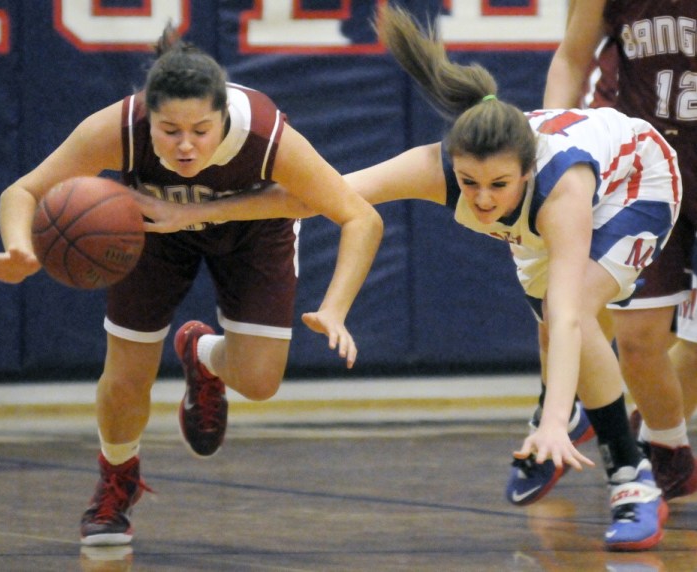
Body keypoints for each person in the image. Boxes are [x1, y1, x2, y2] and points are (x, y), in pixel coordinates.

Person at [131, 5, 680, 551]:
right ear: (452, 164)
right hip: (548, 211)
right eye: (469, 183)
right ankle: (566, 411)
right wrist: (196, 214)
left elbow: (567, 321)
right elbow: (315, 195)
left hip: (636, 183)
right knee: (564, 334)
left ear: (528, 171)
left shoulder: (563, 191)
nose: (483, 200)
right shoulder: (436, 167)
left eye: (498, 186)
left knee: (574, 317)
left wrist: (556, 420)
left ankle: (630, 479)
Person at [0, 24, 383, 546]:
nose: (185, 144)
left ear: (222, 117)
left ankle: (201, 352)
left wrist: (337, 308)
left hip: (251, 231)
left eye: (200, 130)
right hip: (148, 231)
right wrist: (21, 247)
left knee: (259, 382)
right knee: (125, 376)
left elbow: (357, 216)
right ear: (148, 114)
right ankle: (117, 481)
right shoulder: (118, 126)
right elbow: (23, 190)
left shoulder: (263, 133)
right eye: (169, 131)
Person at [507, 0, 697, 507]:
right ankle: (593, 418)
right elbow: (572, 57)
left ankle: (653, 439)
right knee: (631, 336)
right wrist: (548, 138)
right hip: (645, 163)